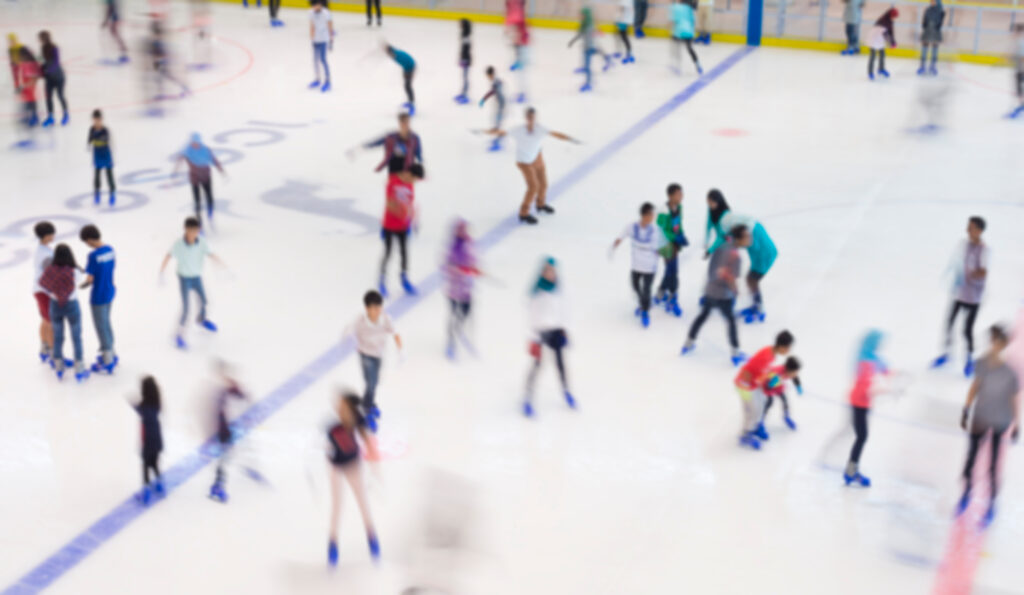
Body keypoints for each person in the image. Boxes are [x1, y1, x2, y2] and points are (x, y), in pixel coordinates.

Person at [956, 325, 1020, 526]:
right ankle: (967, 492)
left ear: (1002, 344)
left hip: (999, 421)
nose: (992, 344)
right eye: (991, 340)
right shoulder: (982, 363)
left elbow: (1013, 399)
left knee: (992, 464)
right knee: (971, 458)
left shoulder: (1010, 373)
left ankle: (991, 502)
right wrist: (966, 408)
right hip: (980, 418)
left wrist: (1017, 423)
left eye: (995, 340)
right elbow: (975, 386)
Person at [487, 107, 579, 224]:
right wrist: (489, 131)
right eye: (529, 117)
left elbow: (555, 134)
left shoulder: (540, 129)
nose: (531, 119)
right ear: (526, 118)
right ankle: (523, 213)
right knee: (533, 187)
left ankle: (540, 204)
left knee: (543, 184)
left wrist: (569, 138)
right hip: (524, 162)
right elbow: (503, 133)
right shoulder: (518, 130)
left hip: (537, 158)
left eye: (533, 117)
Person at [681, 224, 750, 366]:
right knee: (731, 321)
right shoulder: (735, 256)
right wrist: (736, 291)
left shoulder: (722, 247)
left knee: (702, 316)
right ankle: (736, 353)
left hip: (710, 290)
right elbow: (730, 277)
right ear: (740, 239)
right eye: (747, 237)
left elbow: (712, 267)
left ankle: (688, 344)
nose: (749, 239)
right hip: (723, 295)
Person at [704, 189, 777, 323]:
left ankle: (759, 310)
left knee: (752, 279)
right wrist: (711, 250)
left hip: (763, 250)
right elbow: (724, 238)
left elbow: (728, 236)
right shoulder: (725, 221)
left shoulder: (726, 221)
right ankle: (757, 306)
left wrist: (745, 237)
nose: (709, 205)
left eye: (711, 202)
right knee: (751, 279)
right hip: (756, 246)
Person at [326, 391, 381, 566]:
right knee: (337, 506)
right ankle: (333, 544)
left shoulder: (357, 422)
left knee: (363, 503)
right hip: (337, 467)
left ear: (349, 407)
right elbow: (329, 451)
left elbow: (367, 441)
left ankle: (372, 539)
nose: (338, 407)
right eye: (338, 405)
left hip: (354, 467)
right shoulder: (333, 429)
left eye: (341, 404)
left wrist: (374, 468)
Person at [932, 216, 989, 377]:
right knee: (949, 324)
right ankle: (947, 354)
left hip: (973, 297)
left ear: (979, 231)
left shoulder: (984, 250)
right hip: (959, 293)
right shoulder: (963, 244)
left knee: (967, 330)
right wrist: (954, 271)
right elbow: (956, 261)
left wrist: (969, 273)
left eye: (971, 227)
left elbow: (983, 272)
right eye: (967, 226)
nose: (967, 230)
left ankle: (970, 360)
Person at [159, 217, 224, 350]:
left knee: (204, 301)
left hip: (196, 277)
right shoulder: (178, 244)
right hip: (184, 279)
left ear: (199, 230)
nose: (193, 234)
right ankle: (179, 335)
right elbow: (168, 255)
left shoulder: (202, 243)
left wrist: (220, 263)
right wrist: (162, 271)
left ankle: (201, 320)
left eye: (195, 231)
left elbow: (210, 253)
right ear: (186, 230)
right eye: (190, 231)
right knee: (186, 308)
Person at [343, 290, 403, 432]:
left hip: (378, 355)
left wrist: (401, 351)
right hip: (365, 355)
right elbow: (348, 331)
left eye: (379, 307)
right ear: (367, 308)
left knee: (374, 383)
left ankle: (370, 403)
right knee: (371, 383)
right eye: (374, 308)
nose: (378, 311)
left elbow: (395, 333)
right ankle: (367, 410)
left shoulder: (385, 319)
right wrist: (350, 339)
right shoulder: (360, 320)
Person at [523, 257, 576, 417]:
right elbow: (531, 317)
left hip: (556, 331)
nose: (550, 274)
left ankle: (566, 391)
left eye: (552, 271)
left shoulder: (558, 289)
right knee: (537, 366)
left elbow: (563, 310)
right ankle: (528, 398)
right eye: (547, 271)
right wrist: (533, 338)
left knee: (561, 365)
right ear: (542, 272)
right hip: (540, 333)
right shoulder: (537, 292)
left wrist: (565, 329)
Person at [733, 331, 795, 449]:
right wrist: (750, 387)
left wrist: (767, 381)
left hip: (754, 385)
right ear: (782, 347)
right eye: (788, 348)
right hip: (744, 386)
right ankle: (746, 435)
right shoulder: (766, 355)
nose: (788, 351)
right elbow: (748, 371)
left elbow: (764, 373)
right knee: (752, 410)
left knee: (761, 404)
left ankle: (755, 427)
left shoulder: (771, 354)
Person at [38, 244, 89, 382]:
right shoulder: (74, 271)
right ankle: (79, 366)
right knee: (76, 336)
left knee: (58, 336)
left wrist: (54, 291)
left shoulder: (50, 270)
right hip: (72, 305)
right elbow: (80, 277)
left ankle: (59, 365)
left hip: (55, 305)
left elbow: (43, 283)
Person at [844, 330, 888, 487]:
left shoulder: (870, 358)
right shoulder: (866, 362)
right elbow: (865, 387)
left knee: (861, 436)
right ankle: (851, 471)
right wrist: (881, 391)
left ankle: (851, 469)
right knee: (862, 436)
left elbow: (885, 369)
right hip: (859, 403)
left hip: (861, 402)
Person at [611, 203, 666, 328]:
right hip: (636, 265)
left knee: (646, 289)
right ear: (644, 215)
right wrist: (618, 240)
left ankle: (645, 311)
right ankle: (643, 303)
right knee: (635, 286)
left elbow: (662, 245)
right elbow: (623, 233)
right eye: (651, 214)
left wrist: (661, 251)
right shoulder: (632, 227)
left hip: (650, 266)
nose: (653, 217)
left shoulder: (655, 230)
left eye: (653, 214)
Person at [379, 164, 425, 298]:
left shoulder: (410, 186)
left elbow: (410, 204)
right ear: (409, 174)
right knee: (388, 253)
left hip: (403, 227)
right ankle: (382, 280)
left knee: (404, 253)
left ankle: (404, 279)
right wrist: (403, 212)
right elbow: (389, 203)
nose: (414, 183)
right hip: (389, 225)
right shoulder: (392, 181)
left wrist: (411, 220)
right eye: (414, 179)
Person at [79, 225, 118, 374]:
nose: (86, 245)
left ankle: (107, 359)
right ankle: (112, 352)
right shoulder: (110, 250)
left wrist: (84, 284)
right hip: (109, 291)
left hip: (98, 295)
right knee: (107, 323)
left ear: (89, 239)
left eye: (85, 242)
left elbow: (90, 278)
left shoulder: (93, 255)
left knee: (101, 326)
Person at [208, 361, 249, 503]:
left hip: (226, 429)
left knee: (224, 458)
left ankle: (217, 485)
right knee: (224, 459)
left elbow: (240, 395)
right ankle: (218, 486)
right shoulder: (221, 392)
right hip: (223, 431)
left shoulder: (226, 390)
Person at [444, 219, 481, 360]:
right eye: (460, 229)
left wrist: (474, 270)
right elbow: (446, 266)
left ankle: (458, 328)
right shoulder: (452, 247)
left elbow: (474, 260)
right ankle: (450, 342)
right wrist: (459, 269)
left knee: (465, 312)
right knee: (453, 315)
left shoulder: (470, 244)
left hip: (466, 290)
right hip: (453, 290)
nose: (463, 232)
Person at [174, 133, 225, 227]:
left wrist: (220, 169)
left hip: (206, 177)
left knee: (209, 196)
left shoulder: (205, 150)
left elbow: (214, 160)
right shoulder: (187, 151)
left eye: (197, 143)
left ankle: (210, 214)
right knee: (197, 200)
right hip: (195, 178)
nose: (195, 145)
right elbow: (180, 159)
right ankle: (199, 221)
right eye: (194, 143)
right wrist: (176, 171)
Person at [654, 183, 688, 317]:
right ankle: (672, 298)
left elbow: (679, 223)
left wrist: (682, 234)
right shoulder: (663, 211)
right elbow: (661, 229)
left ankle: (661, 292)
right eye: (678, 194)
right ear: (670, 195)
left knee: (671, 270)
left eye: (682, 193)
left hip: (673, 243)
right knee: (673, 271)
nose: (681, 196)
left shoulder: (679, 207)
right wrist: (675, 237)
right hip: (664, 244)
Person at [356, 113, 423, 175]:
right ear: (400, 123)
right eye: (403, 122)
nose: (405, 124)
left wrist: (421, 166)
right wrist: (363, 146)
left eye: (407, 122)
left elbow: (418, 153)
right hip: (393, 168)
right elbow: (377, 142)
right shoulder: (391, 137)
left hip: (407, 169)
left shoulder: (414, 138)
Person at [132, 376, 164, 505]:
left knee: (145, 465)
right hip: (157, 439)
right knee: (155, 464)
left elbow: (140, 410)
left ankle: (145, 493)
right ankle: (160, 485)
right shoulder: (156, 403)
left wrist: (133, 403)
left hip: (148, 441)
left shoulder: (144, 407)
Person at [568, 7, 611, 93]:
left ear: (586, 15)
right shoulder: (584, 25)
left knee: (588, 66)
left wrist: (590, 45)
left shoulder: (589, 26)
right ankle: (606, 60)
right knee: (588, 64)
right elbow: (580, 35)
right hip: (586, 47)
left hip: (590, 48)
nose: (579, 16)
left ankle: (589, 83)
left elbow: (591, 37)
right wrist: (572, 41)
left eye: (581, 15)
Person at [32, 221, 56, 365]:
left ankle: (44, 348)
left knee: (45, 320)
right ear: (46, 236)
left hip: (39, 290)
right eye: (52, 233)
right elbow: (50, 274)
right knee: (50, 321)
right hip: (44, 291)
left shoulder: (43, 249)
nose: (53, 236)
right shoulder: (45, 254)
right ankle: (54, 353)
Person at [761, 357, 803, 431]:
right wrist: (772, 383)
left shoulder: (790, 373)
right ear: (789, 371)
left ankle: (786, 416)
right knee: (769, 402)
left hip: (778, 385)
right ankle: (760, 421)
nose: (796, 374)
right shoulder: (777, 373)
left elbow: (795, 378)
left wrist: (798, 387)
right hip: (768, 384)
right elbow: (768, 385)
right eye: (794, 372)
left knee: (785, 400)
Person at [38, 31, 68, 127]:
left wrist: (47, 71)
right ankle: (50, 117)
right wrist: (41, 70)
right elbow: (44, 62)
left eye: (41, 38)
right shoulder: (42, 48)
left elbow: (56, 62)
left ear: (45, 38)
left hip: (59, 77)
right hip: (49, 79)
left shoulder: (54, 48)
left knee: (60, 96)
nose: (39, 41)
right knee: (48, 97)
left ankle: (65, 114)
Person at [88, 109, 117, 206]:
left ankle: (112, 193)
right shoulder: (92, 129)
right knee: (97, 175)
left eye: (98, 119)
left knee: (109, 175)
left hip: (106, 154)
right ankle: (97, 192)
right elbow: (89, 141)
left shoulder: (105, 130)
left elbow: (107, 140)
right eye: (95, 119)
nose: (97, 121)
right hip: (97, 155)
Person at [14, 46, 40, 145]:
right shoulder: (26, 64)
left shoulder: (28, 65)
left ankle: (32, 121)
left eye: (19, 56)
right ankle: (31, 119)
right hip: (28, 95)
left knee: (28, 110)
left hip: (30, 95)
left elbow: (32, 81)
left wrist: (22, 87)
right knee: (27, 111)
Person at [478, 66, 506, 152]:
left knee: (497, 124)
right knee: (496, 123)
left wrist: (484, 99)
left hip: (501, 106)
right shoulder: (496, 81)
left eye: (488, 76)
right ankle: (497, 139)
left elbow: (492, 92)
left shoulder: (495, 83)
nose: (487, 78)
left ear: (490, 74)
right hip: (499, 105)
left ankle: (498, 142)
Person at [506, 0, 530, 103]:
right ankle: (521, 92)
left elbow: (521, 35)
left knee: (521, 74)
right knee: (519, 74)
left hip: (522, 48)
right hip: (520, 48)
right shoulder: (519, 17)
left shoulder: (518, 17)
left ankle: (522, 93)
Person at [670, 0, 702, 75]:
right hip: (688, 31)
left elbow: (674, 21)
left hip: (680, 31)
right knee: (689, 48)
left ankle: (677, 67)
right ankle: (698, 65)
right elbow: (693, 21)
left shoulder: (678, 8)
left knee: (677, 48)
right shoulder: (689, 10)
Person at [308, 0, 334, 92]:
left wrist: (331, 41)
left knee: (323, 59)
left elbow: (330, 27)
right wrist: (312, 38)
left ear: (320, 4)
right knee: (315, 60)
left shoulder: (326, 13)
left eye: (316, 5)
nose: (315, 7)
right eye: (313, 6)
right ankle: (317, 78)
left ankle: (327, 80)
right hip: (316, 40)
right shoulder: (311, 12)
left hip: (324, 40)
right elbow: (312, 25)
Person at [867, 7, 898, 81]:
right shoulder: (884, 20)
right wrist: (891, 43)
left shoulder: (889, 21)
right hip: (874, 38)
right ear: (891, 15)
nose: (894, 18)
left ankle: (881, 69)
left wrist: (893, 42)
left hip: (880, 39)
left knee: (882, 54)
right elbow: (886, 34)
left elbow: (890, 33)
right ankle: (870, 72)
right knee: (873, 56)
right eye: (894, 16)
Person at [385, 44, 416, 115]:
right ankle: (410, 102)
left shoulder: (397, 56)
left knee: (407, 86)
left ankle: (411, 104)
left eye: (388, 53)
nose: (387, 55)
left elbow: (407, 62)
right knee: (406, 86)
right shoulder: (395, 53)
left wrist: (407, 73)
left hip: (410, 67)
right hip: (408, 68)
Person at [918, 0, 944, 76]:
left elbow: (940, 22)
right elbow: (924, 20)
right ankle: (922, 66)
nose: (932, 2)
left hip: (935, 31)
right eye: (931, 1)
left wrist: (937, 28)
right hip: (927, 31)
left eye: (933, 1)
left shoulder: (940, 11)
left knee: (935, 48)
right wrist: (924, 26)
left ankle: (933, 66)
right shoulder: (928, 10)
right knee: (924, 48)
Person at [454, 19, 472, 104]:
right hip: (465, 58)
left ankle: (465, 95)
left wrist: (464, 59)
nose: (459, 24)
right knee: (464, 77)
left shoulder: (466, 35)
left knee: (465, 77)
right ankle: (463, 93)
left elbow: (466, 48)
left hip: (466, 59)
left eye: (460, 23)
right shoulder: (464, 34)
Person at [614, 0, 635, 64]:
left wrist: (618, 19)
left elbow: (622, 10)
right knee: (620, 36)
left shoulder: (625, 1)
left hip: (623, 21)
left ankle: (629, 53)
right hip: (625, 20)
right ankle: (622, 51)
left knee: (624, 37)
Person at [1011, 24, 1024, 119]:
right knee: (1019, 89)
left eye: (1015, 31)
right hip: (1019, 69)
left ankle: (1021, 106)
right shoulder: (1018, 41)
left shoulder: (1021, 41)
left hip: (1021, 70)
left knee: (1019, 89)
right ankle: (1021, 105)